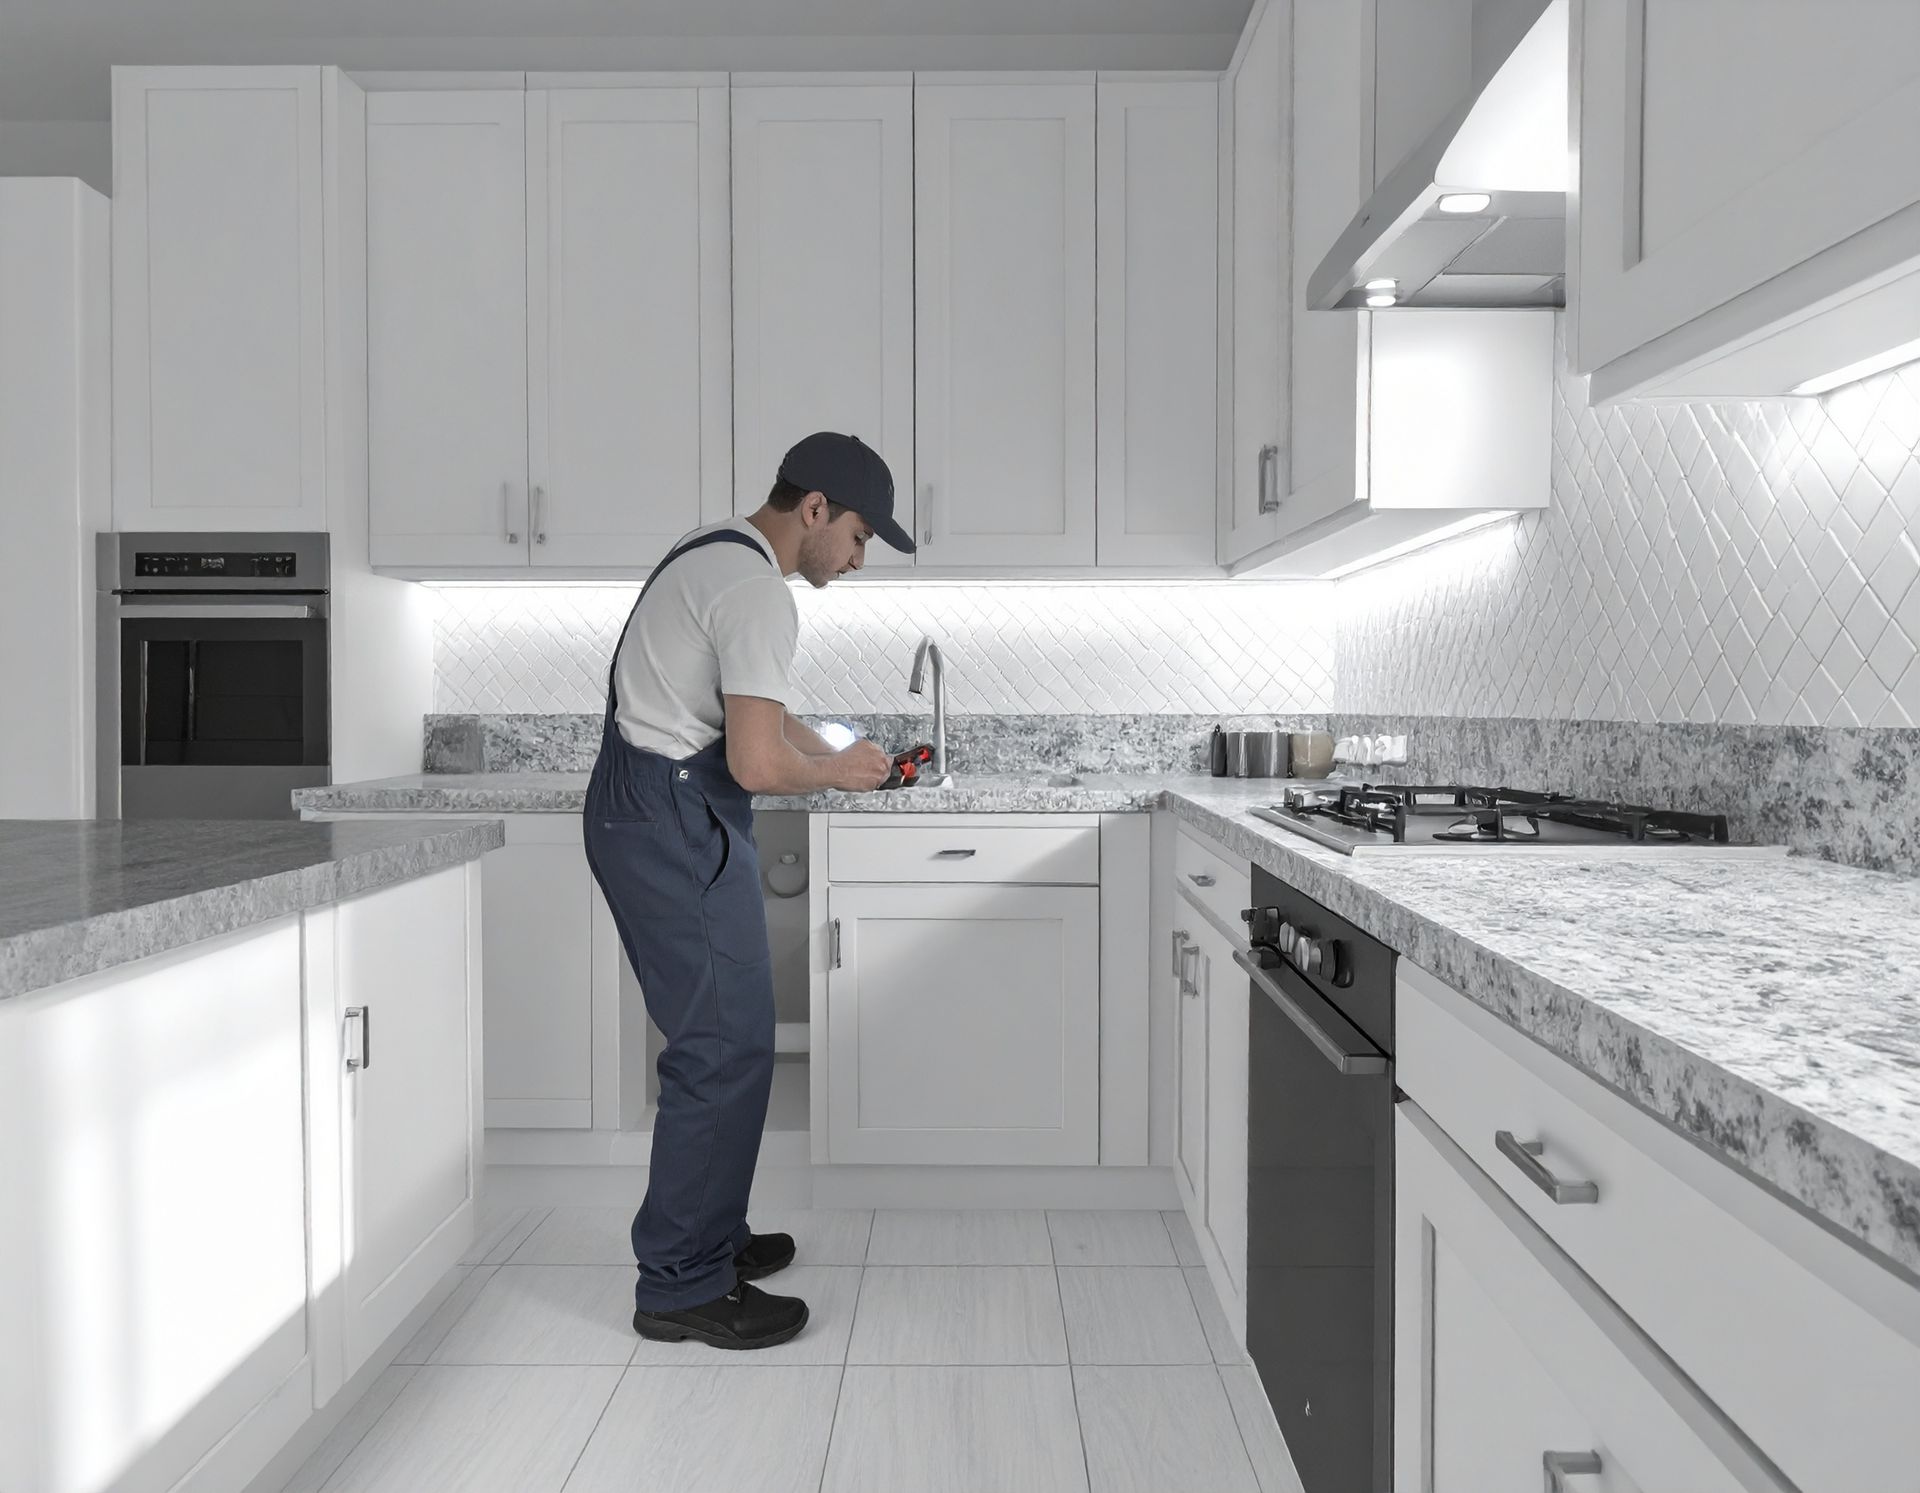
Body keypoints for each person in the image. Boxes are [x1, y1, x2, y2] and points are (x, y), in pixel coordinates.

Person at [583, 431, 911, 1350]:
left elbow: (761, 715)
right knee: (719, 1046)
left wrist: (835, 750)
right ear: (814, 510)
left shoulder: (717, 550)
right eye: (856, 535)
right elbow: (756, 759)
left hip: (651, 805)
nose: (857, 558)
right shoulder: (760, 591)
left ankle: (711, 1239)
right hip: (668, 815)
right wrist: (834, 776)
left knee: (732, 1036)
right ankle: (680, 1283)